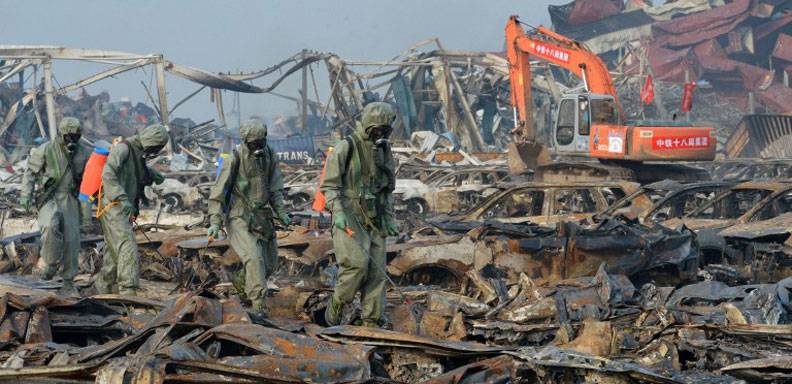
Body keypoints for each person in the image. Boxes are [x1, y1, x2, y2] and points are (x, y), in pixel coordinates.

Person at [321, 102, 400, 327]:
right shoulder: (346, 147)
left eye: (385, 130)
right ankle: (338, 302)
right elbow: (329, 186)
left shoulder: (384, 150)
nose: (380, 134)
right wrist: (337, 212)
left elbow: (387, 189)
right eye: (377, 129)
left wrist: (388, 217)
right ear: (366, 125)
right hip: (349, 214)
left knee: (376, 272)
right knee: (356, 265)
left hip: (374, 217)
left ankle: (371, 320)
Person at [207, 120, 289, 314]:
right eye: (253, 144)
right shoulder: (233, 159)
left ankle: (242, 282)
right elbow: (219, 193)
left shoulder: (270, 156)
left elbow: (275, 188)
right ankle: (258, 305)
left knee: (269, 264)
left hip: (262, 216)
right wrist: (215, 222)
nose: (258, 147)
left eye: (261, 142)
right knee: (254, 258)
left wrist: (282, 212)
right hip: (239, 217)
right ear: (245, 142)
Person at [94, 124, 168, 296]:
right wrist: (121, 197)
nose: (155, 151)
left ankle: (102, 288)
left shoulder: (137, 152)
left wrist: (151, 175)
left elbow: (135, 173)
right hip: (114, 205)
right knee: (127, 245)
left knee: (114, 254)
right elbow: (108, 173)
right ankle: (129, 290)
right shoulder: (123, 149)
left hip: (123, 207)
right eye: (156, 147)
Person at [20, 117, 89, 295]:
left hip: (71, 198)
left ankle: (68, 281)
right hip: (49, 197)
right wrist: (25, 195)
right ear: (61, 134)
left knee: (72, 240)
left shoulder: (84, 152)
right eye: (68, 136)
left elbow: (92, 177)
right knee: (50, 226)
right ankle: (50, 264)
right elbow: (30, 173)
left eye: (75, 136)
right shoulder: (46, 149)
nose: (71, 140)